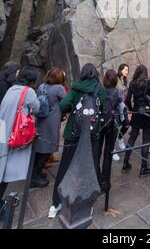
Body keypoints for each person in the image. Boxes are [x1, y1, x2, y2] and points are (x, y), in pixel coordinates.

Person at [48, 63, 105, 219]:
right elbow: (105, 108)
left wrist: (73, 109)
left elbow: (63, 105)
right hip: (92, 136)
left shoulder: (75, 88)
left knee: (65, 167)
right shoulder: (99, 89)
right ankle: (87, 205)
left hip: (73, 133)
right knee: (90, 169)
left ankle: (56, 204)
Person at [0, 67, 40, 216]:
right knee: (6, 171)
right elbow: (37, 107)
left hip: (3, 130)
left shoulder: (11, 89)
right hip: (14, 131)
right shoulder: (28, 92)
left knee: (2, 165)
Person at [122, 65, 150, 177]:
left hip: (136, 112)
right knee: (146, 141)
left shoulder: (132, 83)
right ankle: (143, 167)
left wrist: (131, 109)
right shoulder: (149, 82)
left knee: (132, 137)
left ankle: (125, 162)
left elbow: (127, 99)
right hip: (147, 113)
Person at [31, 68, 66, 188]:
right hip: (51, 122)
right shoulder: (59, 88)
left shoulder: (41, 86)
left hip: (40, 120)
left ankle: (35, 173)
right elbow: (66, 103)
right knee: (46, 150)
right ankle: (34, 177)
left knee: (39, 148)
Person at [98, 69, 121, 194]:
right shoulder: (116, 92)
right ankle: (105, 180)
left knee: (97, 151)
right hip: (111, 124)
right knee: (108, 152)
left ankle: (97, 176)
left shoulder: (100, 90)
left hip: (100, 123)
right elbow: (120, 104)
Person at [115, 64, 129, 155]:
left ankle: (119, 138)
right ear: (121, 70)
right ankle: (113, 151)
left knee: (126, 124)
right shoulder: (116, 80)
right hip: (116, 107)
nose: (127, 72)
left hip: (123, 107)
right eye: (126, 70)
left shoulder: (124, 81)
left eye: (128, 70)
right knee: (115, 128)